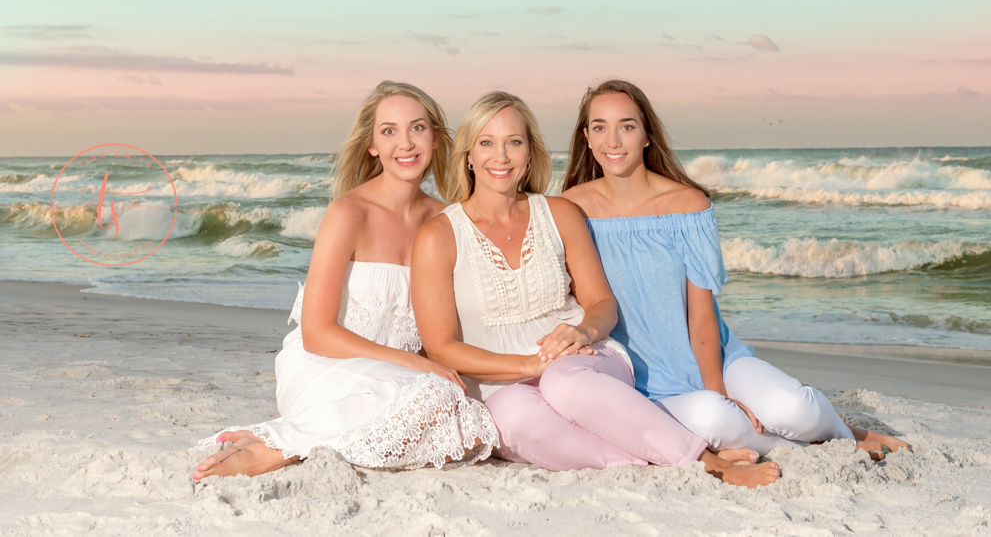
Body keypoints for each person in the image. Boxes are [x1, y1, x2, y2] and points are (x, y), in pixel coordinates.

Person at [411, 91, 780, 488]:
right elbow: (441, 348)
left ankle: (709, 464)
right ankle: (667, 458)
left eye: (514, 142)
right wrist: (528, 366)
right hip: (500, 380)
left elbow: (602, 303)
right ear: (468, 155)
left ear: (530, 152)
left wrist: (584, 332)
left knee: (562, 382)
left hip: (587, 360)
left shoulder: (560, 214)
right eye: (486, 143)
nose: (500, 157)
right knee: (509, 417)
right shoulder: (439, 235)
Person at [561, 79, 910, 458]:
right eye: (600, 128)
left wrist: (718, 389)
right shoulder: (570, 209)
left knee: (795, 409)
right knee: (717, 420)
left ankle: (842, 432)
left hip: (718, 358)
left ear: (647, 135)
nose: (613, 141)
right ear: (586, 136)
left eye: (627, 126)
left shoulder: (688, 204)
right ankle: (827, 447)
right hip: (637, 379)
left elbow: (701, 314)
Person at [193, 81, 497, 480]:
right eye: (389, 131)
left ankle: (283, 440)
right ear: (372, 145)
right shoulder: (348, 212)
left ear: (436, 138)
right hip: (326, 366)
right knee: (437, 400)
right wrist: (412, 365)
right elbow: (316, 334)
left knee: (469, 424)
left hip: (400, 378)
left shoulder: (447, 221)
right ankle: (277, 445)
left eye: (417, 128)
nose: (405, 143)